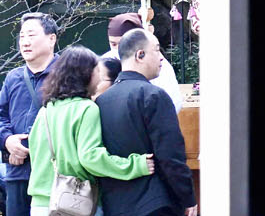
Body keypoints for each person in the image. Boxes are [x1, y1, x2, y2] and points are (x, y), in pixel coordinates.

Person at [26, 45, 154, 216]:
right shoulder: (86, 108)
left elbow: (35, 152)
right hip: (74, 202)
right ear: (85, 74)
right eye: (97, 70)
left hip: (40, 204)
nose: (100, 77)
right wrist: (135, 165)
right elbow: (91, 158)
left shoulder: (45, 110)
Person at [95, 30, 196, 216]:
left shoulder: (101, 102)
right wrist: (187, 197)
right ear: (139, 55)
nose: (161, 57)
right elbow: (171, 155)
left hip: (114, 205)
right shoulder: (153, 96)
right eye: (156, 50)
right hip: (154, 204)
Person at [0, 14, 59, 216]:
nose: (25, 42)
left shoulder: (67, 75)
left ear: (51, 39)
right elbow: (1, 115)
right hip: (18, 172)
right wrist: (7, 140)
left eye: (31, 35)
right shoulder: (13, 77)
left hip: (55, 176)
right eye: (22, 36)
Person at [102, 15, 182, 114]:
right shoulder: (104, 62)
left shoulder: (159, 64)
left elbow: (173, 103)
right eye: (113, 44)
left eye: (123, 43)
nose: (119, 49)